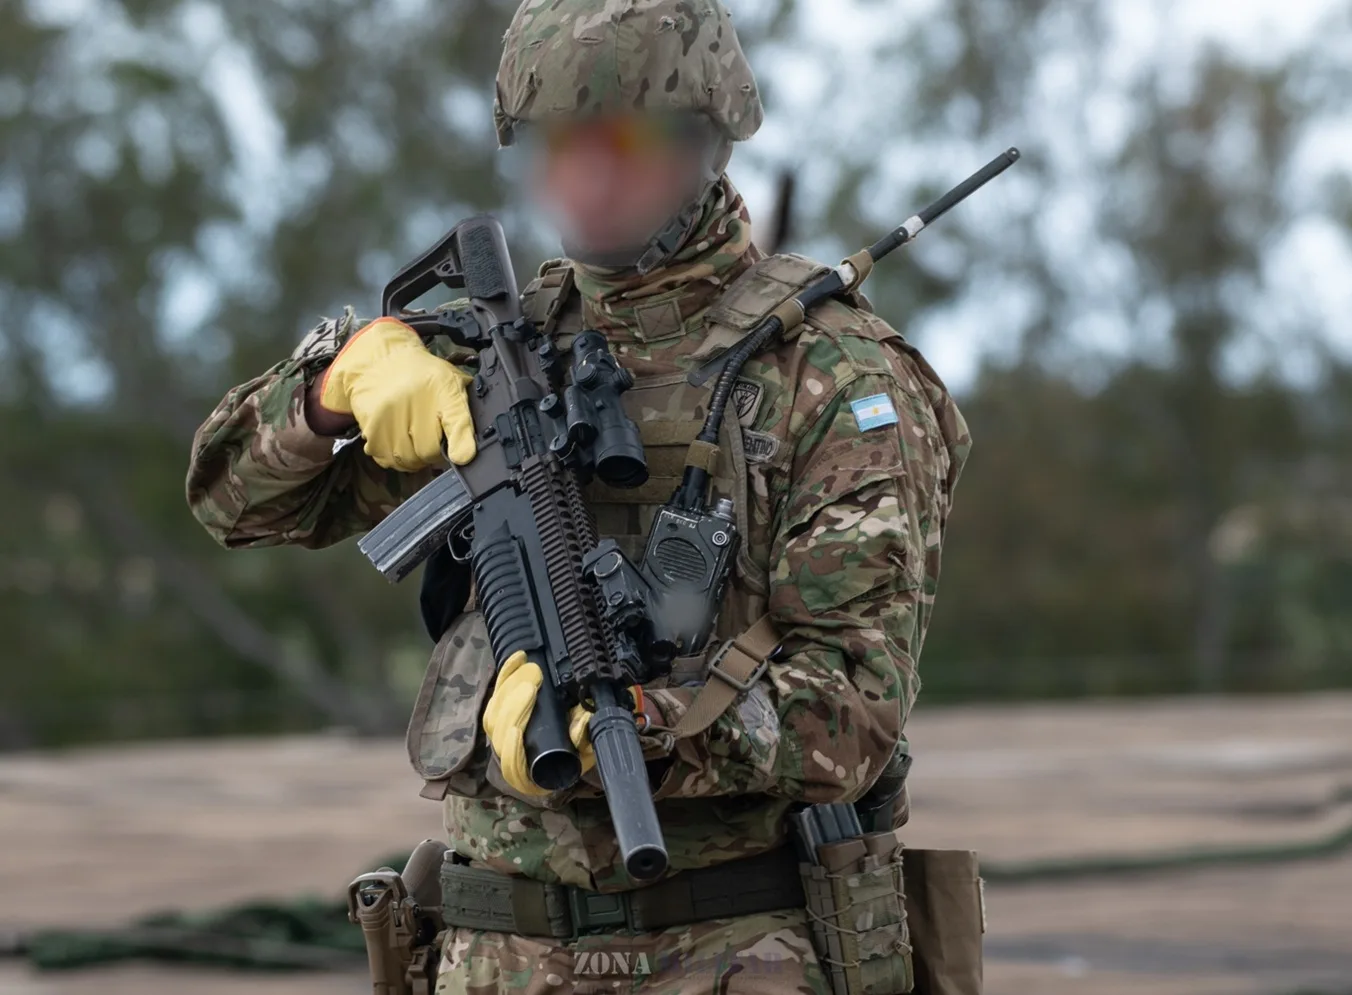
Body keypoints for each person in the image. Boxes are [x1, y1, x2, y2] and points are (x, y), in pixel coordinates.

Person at [186, 1, 973, 991]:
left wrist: (621, 734)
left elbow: (852, 705)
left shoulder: (833, 375)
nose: (586, 176)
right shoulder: (490, 355)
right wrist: (327, 389)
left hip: (737, 951)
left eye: (626, 140)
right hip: (489, 955)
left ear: (706, 138)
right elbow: (231, 499)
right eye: (554, 144)